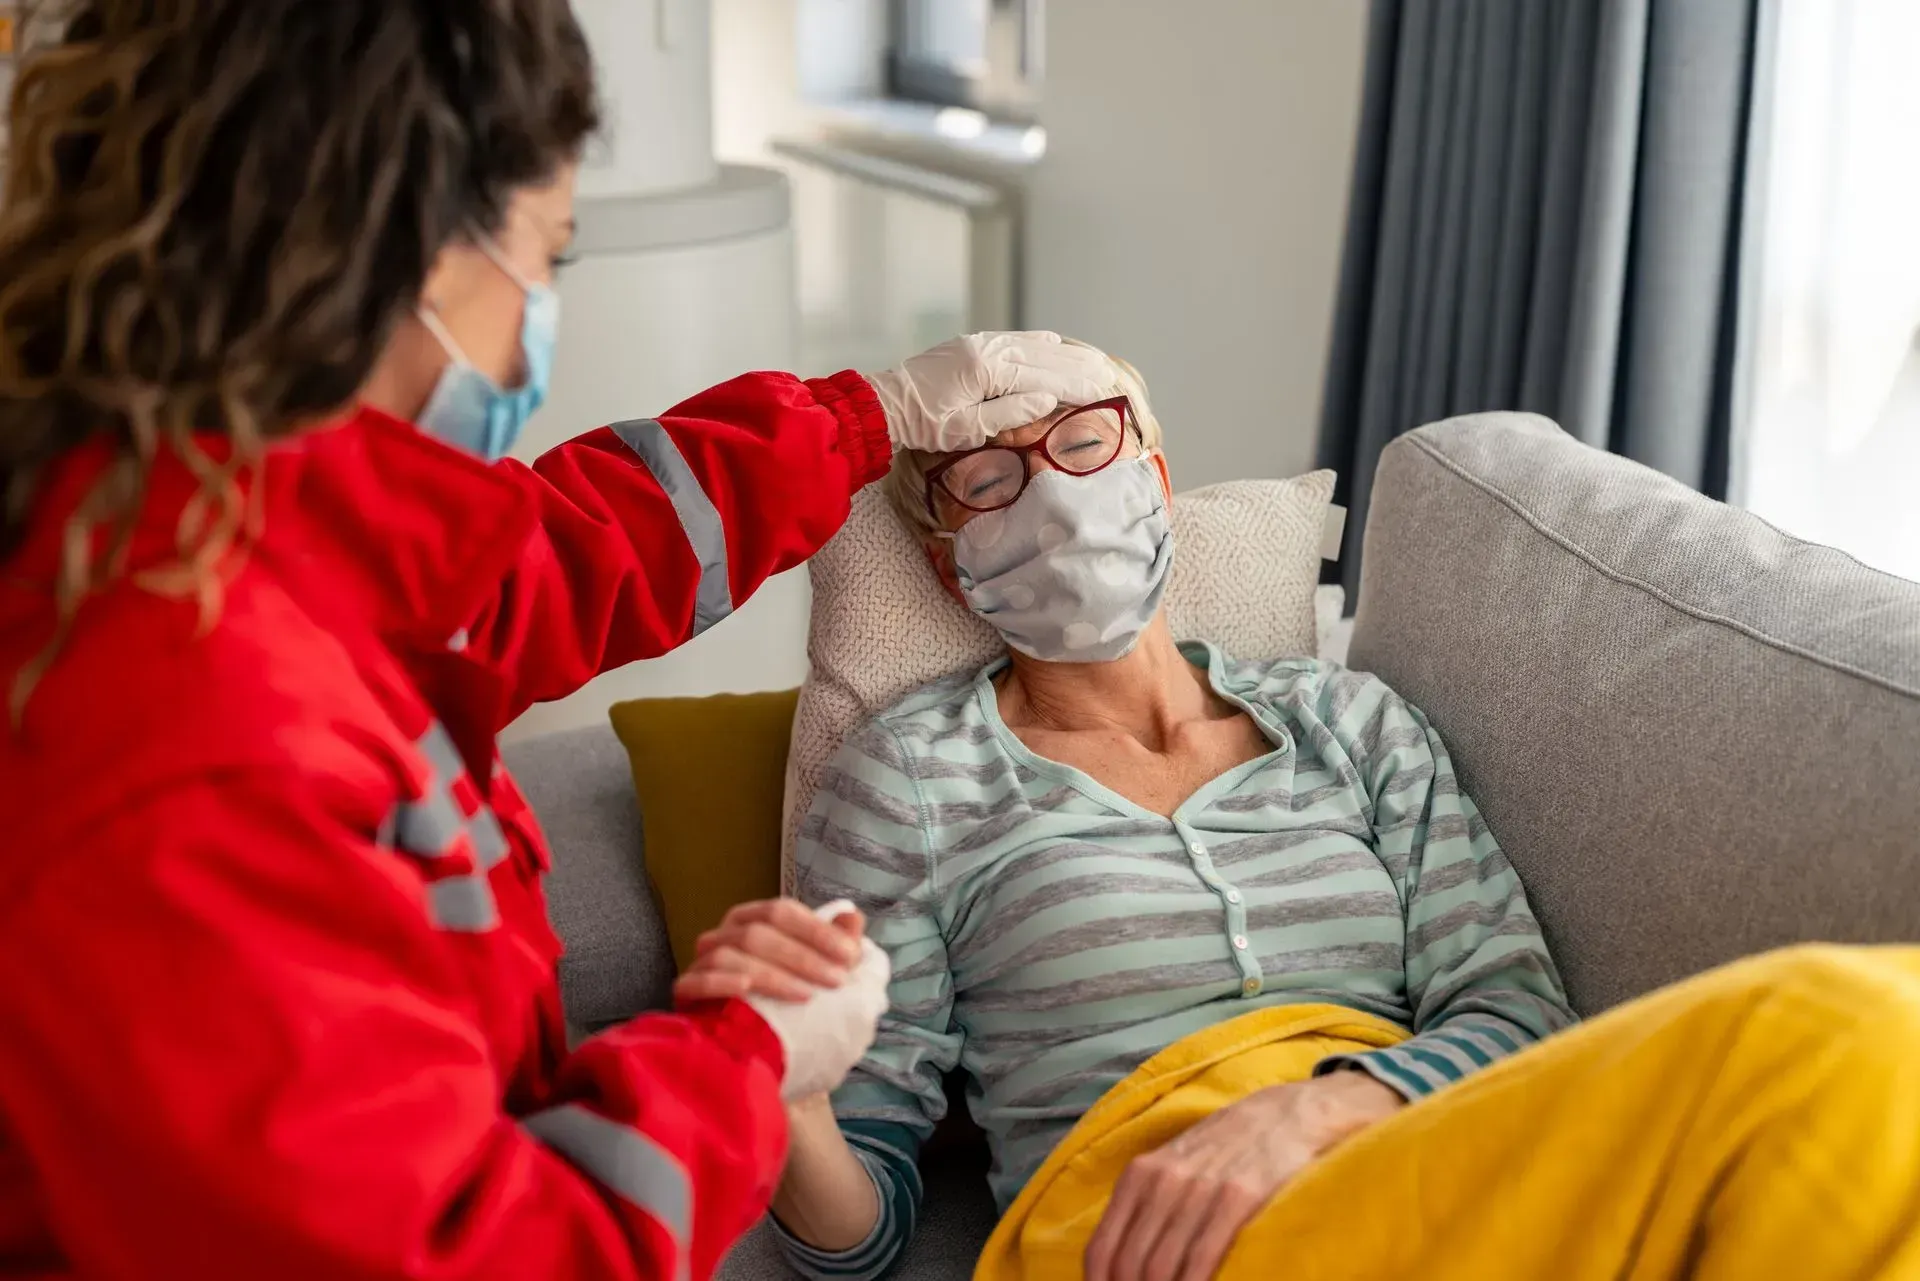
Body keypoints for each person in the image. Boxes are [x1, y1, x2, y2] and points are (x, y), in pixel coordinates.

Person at [0, 2, 1110, 1278]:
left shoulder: (205, 516)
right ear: (410, 255)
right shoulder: (184, 748)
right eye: (549, 257)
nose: (535, 314)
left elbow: (543, 561)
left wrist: (861, 418)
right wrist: (750, 1063)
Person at [758, 344, 1920, 1280]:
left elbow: (1515, 1008)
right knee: (1825, 1013)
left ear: (1152, 480)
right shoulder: (910, 778)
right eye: (992, 477)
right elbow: (858, 1235)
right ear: (951, 561)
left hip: (1429, 1157)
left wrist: (1316, 1115)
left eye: (1081, 442)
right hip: (1146, 1223)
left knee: (1875, 1044)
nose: (1054, 493)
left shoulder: (1353, 723)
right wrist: (783, 1083)